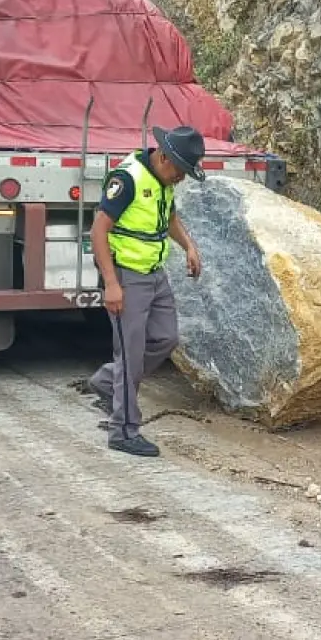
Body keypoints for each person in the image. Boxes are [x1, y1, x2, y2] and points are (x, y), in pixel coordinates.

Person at [86, 125, 205, 457]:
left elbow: (170, 217)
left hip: (155, 273)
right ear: (164, 157)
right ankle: (123, 430)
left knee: (166, 338)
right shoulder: (127, 180)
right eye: (180, 171)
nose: (181, 178)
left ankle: (107, 383)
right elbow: (98, 231)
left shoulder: (164, 179)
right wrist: (111, 284)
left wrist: (189, 247)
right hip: (127, 276)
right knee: (131, 354)